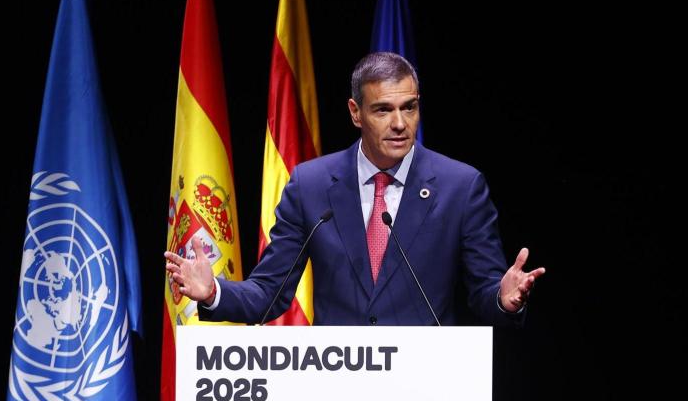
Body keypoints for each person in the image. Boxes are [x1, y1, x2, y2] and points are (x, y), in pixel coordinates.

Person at [165, 51, 544, 325]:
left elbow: (484, 293)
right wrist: (214, 291)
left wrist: (503, 297)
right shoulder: (311, 186)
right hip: (340, 395)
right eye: (383, 110)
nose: (400, 123)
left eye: (409, 107)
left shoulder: (461, 187)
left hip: (427, 389)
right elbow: (268, 293)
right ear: (355, 112)